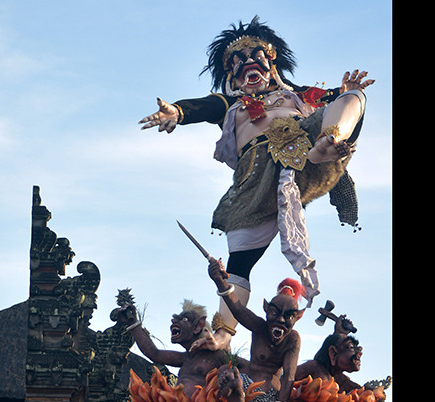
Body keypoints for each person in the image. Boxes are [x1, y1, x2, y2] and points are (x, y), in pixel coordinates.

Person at [139, 16, 373, 350]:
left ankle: (329, 141)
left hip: (308, 157)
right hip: (257, 178)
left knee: (354, 97)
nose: (248, 63)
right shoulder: (231, 105)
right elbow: (203, 107)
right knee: (239, 263)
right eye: (239, 62)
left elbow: (338, 99)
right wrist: (176, 112)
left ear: (271, 64)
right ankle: (224, 333)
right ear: (232, 76)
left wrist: (347, 90)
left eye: (256, 57)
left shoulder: (296, 95)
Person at [208, 263, 308, 402]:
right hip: (245, 385)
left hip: (270, 395)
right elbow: (238, 310)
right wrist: (220, 282)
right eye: (275, 313)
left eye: (288, 316)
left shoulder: (292, 339)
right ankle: (238, 400)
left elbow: (289, 375)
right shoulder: (260, 326)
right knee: (224, 369)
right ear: (266, 309)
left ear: (298, 317)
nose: (281, 320)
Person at [114, 299, 230, 394]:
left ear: (197, 326)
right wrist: (133, 323)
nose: (173, 320)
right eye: (176, 318)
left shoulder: (215, 356)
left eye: (184, 319)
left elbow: (237, 364)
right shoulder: (185, 358)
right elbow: (154, 353)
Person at [295, 317, 364, 392]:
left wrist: (340, 334)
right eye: (351, 347)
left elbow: (358, 392)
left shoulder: (338, 378)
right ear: (333, 353)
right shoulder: (314, 367)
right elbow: (288, 377)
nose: (359, 353)